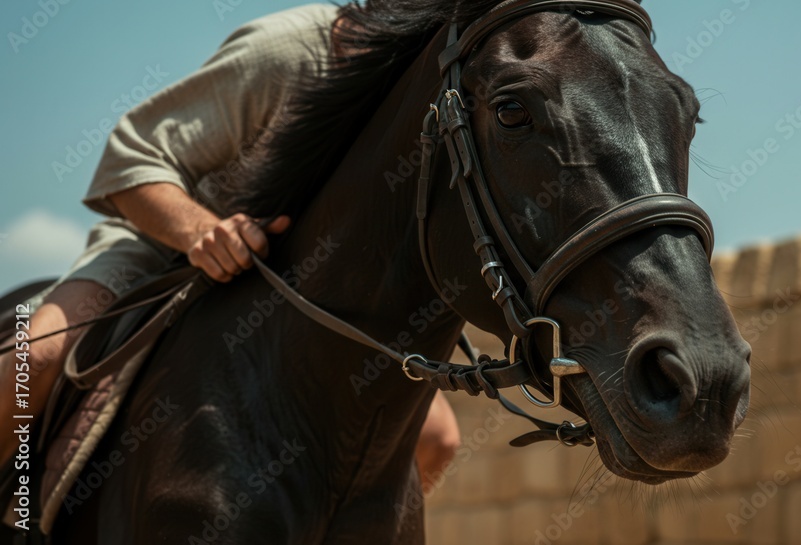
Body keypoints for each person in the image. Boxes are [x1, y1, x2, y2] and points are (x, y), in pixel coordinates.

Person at [0, 4, 459, 488]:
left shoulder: (439, 78)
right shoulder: (289, 46)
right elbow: (131, 157)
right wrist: (201, 231)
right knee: (37, 360)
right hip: (159, 249)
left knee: (439, 440)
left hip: (305, 287)